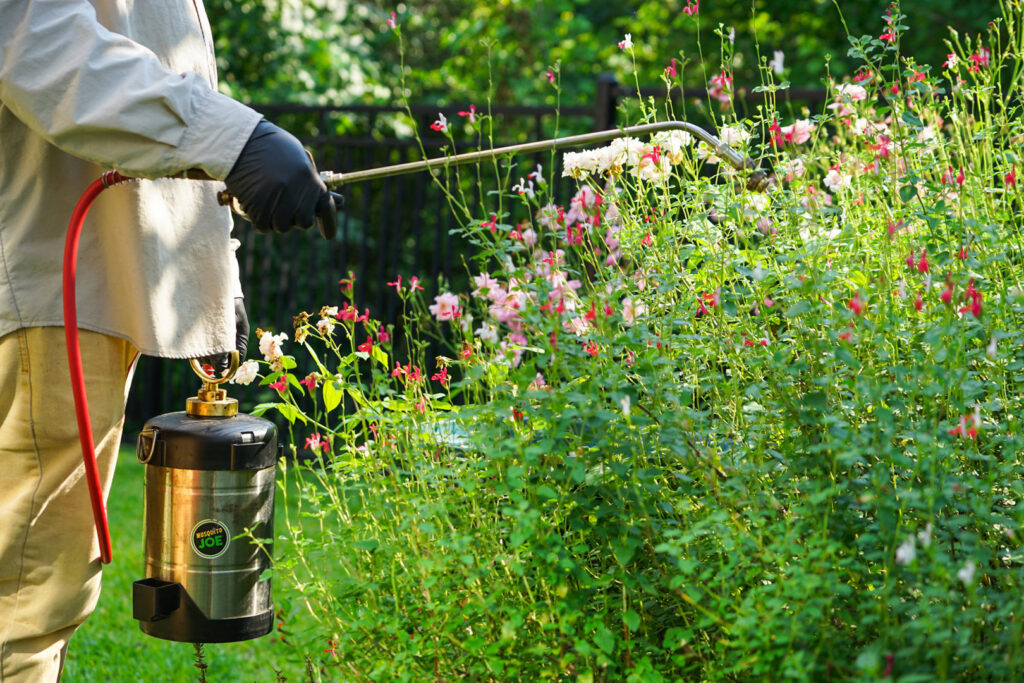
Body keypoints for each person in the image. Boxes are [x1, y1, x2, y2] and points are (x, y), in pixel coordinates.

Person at [0, 1, 336, 680]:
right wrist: (235, 139)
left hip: (76, 287)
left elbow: (163, 62)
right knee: (26, 590)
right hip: (47, 282)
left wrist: (216, 276)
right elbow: (38, 45)